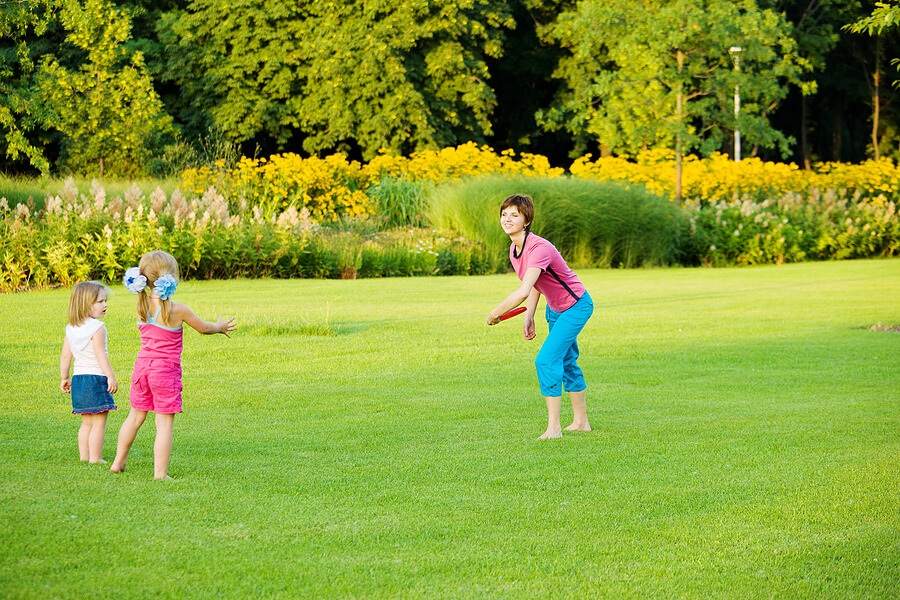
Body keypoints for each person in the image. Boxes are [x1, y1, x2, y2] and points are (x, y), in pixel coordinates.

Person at [110, 250, 236, 480]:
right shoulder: (178, 310)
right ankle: (160, 473)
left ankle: (118, 462)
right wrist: (219, 326)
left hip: (141, 368)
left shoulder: (140, 306)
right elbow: (204, 328)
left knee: (135, 417)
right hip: (164, 372)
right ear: (171, 278)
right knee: (164, 423)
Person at [487, 194, 594, 439]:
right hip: (555, 308)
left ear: (526, 220)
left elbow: (523, 291)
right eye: (504, 214)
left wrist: (495, 313)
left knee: (546, 360)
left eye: (514, 215)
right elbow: (535, 284)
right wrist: (530, 315)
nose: (507, 219)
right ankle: (581, 422)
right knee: (566, 361)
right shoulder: (515, 249)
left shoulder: (539, 247)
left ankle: (554, 428)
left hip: (576, 306)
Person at [60, 281, 119, 463]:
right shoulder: (97, 328)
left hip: (79, 379)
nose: (105, 305)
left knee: (86, 423)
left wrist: (65, 377)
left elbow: (65, 356)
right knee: (99, 423)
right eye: (100, 302)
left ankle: (84, 457)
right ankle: (95, 458)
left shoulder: (71, 329)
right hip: (96, 378)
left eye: (105, 301)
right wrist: (111, 376)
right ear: (86, 305)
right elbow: (100, 354)